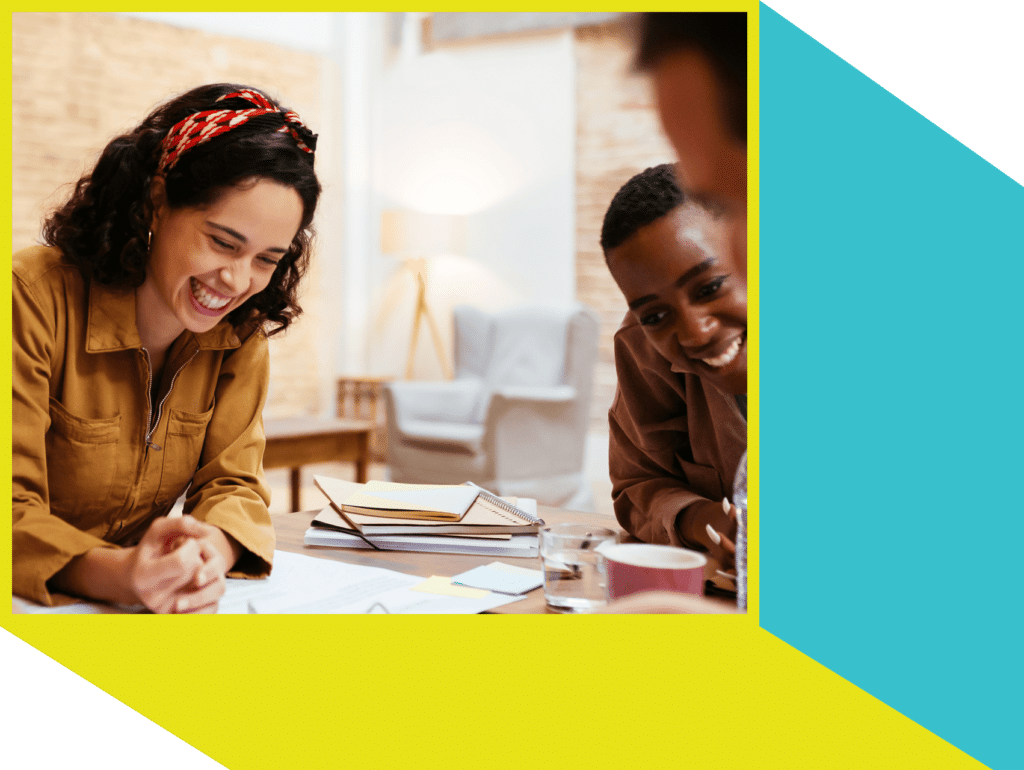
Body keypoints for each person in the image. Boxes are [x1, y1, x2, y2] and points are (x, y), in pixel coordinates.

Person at [12, 84, 321, 613]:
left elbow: (234, 484)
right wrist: (116, 575)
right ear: (157, 201)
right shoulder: (30, 297)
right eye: (224, 242)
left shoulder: (239, 333)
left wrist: (213, 550)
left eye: (267, 259)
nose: (238, 280)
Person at [604, 164, 746, 574]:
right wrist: (712, 525)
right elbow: (637, 487)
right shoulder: (642, 347)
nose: (695, 332)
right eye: (655, 315)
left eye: (710, 287)